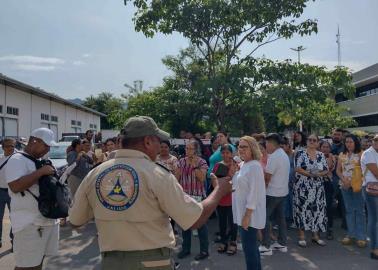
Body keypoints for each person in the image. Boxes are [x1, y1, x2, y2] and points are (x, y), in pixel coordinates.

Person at [69, 116, 232, 270]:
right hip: (153, 262)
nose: (160, 146)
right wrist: (219, 190)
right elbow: (194, 219)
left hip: (111, 263)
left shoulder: (95, 174)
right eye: (158, 141)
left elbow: (76, 220)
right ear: (147, 141)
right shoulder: (157, 174)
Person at [4, 128, 59, 270]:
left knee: (38, 262)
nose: (47, 149)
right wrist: (41, 172)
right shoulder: (16, 160)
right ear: (34, 140)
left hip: (47, 221)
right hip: (29, 225)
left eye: (49, 147)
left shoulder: (41, 160)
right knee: (26, 266)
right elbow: (15, 186)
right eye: (45, 145)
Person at [232, 136, 266, 270]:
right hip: (242, 212)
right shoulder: (244, 164)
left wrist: (247, 216)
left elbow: (254, 193)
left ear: (252, 148)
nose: (241, 149)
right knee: (251, 248)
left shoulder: (255, 166)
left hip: (249, 214)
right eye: (239, 146)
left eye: (244, 147)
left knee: (249, 250)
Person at [175, 140, 209, 261]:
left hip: (198, 197)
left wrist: (195, 165)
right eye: (186, 148)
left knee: (201, 225)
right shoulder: (181, 162)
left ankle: (204, 250)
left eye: (190, 148)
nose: (187, 151)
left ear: (196, 150)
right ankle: (186, 249)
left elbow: (202, 178)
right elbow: (176, 179)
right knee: (185, 224)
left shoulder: (202, 162)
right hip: (185, 197)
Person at [293, 134, 328, 247]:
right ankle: (302, 236)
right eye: (310, 139)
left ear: (318, 142)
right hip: (302, 187)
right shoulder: (300, 153)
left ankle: (315, 236)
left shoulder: (321, 155)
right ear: (306, 141)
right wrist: (311, 174)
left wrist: (319, 174)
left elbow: (326, 169)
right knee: (302, 210)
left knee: (317, 211)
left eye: (314, 140)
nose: (312, 141)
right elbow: (297, 168)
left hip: (318, 187)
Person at [260, 133, 290, 256]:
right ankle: (282, 243)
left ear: (272, 143)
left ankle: (266, 246)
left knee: (264, 217)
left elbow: (267, 178)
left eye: (266, 143)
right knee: (280, 218)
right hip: (282, 192)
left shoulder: (273, 157)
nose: (265, 146)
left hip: (272, 193)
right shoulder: (283, 154)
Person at [336, 134, 367, 248]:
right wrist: (344, 180)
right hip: (344, 186)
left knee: (360, 211)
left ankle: (361, 237)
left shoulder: (361, 154)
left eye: (351, 142)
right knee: (349, 210)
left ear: (355, 142)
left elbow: (365, 171)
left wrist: (353, 181)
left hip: (358, 186)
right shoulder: (342, 154)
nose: (348, 144)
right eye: (347, 142)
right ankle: (350, 234)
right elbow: (338, 170)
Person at [211, 144, 238, 255]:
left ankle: (233, 242)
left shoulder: (237, 165)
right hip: (221, 198)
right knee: (222, 222)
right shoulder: (218, 165)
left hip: (233, 198)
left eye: (227, 152)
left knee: (233, 222)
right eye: (223, 153)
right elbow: (214, 182)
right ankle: (223, 241)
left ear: (232, 153)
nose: (225, 155)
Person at [361, 134, 378, 260]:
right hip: (371, 190)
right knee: (374, 219)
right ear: (372, 141)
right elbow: (376, 173)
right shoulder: (368, 153)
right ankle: (374, 249)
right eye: (376, 140)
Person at [0, 138, 16, 248]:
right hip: (0, 191)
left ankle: (14, 240)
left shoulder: (17, 159)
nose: (10, 148)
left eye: (12, 146)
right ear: (2, 147)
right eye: (8, 146)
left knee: (15, 218)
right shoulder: (0, 159)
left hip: (13, 193)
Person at [319, 140, 336, 240]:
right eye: (323, 147)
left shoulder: (331, 157)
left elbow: (327, 168)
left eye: (327, 147)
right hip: (317, 183)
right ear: (320, 147)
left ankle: (329, 228)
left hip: (327, 183)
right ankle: (319, 228)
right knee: (319, 207)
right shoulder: (316, 156)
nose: (325, 149)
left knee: (328, 207)